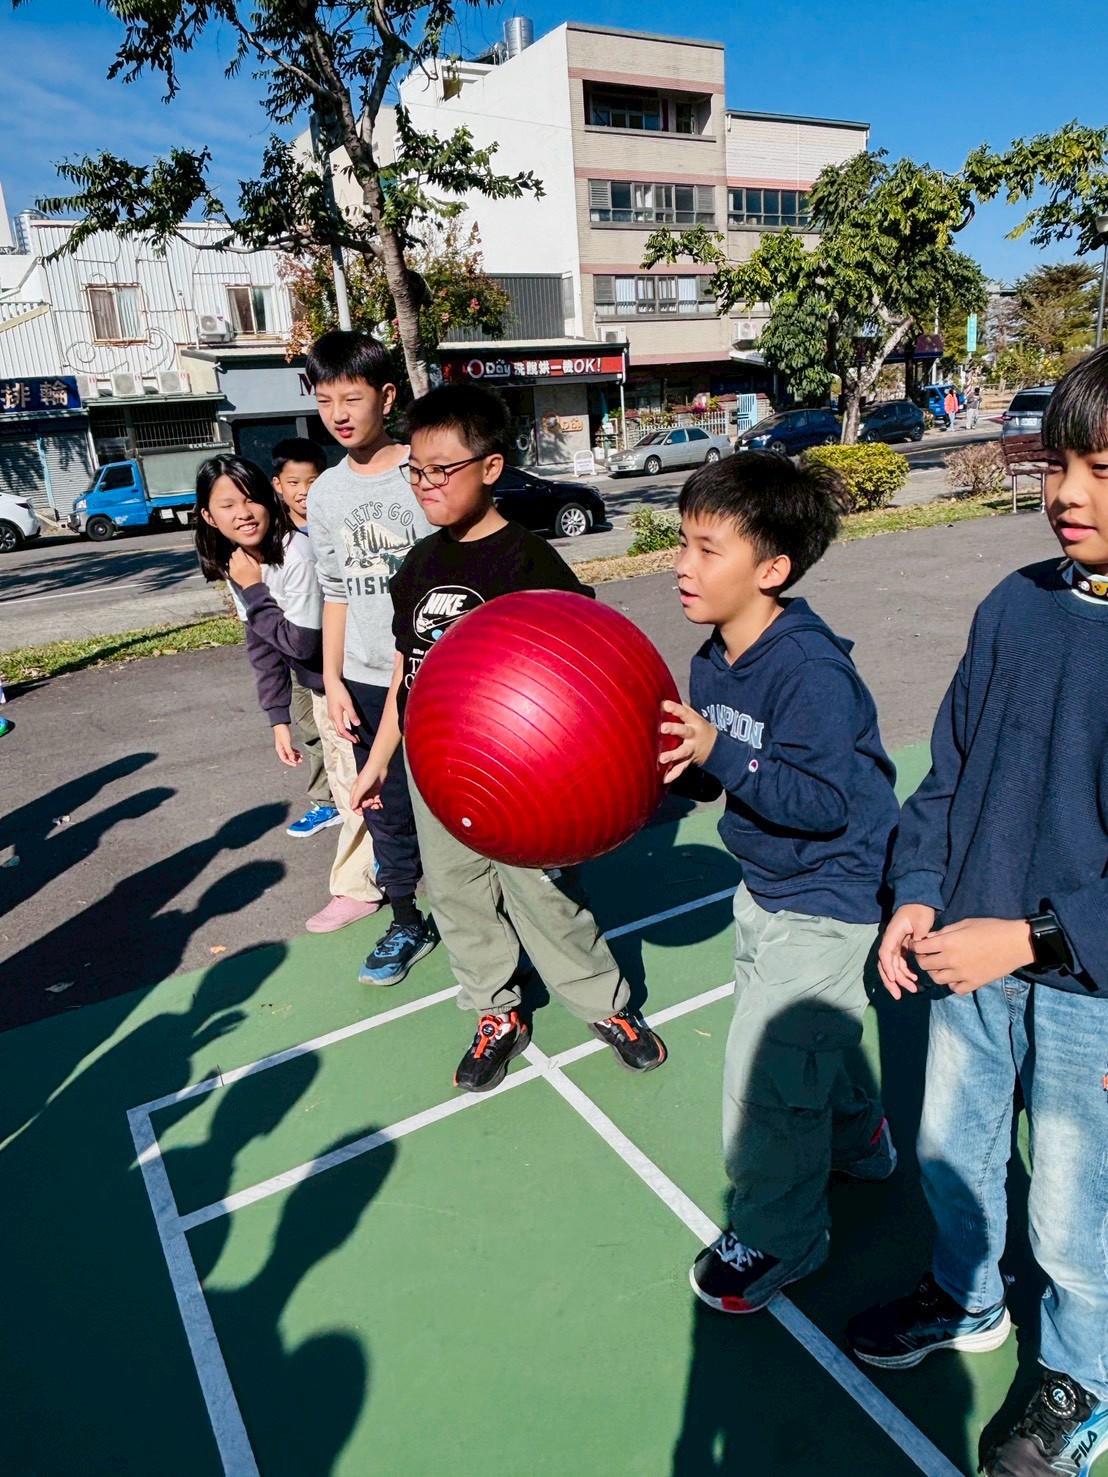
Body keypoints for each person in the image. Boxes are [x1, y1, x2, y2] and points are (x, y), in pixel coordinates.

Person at [846, 347, 1108, 1477]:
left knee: (1076, 1209)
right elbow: (949, 772)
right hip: (972, 955)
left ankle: (1084, 1376)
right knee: (953, 1150)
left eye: (1101, 471)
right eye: (1057, 463)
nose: (1067, 494)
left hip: (1088, 987)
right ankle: (966, 1296)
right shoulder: (1016, 605)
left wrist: (1034, 937)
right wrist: (917, 887)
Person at [349, 383, 667, 1091]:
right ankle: (496, 1010)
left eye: (442, 469)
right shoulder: (418, 566)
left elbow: (585, 670)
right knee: (456, 895)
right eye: (415, 470)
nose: (425, 484)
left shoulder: (529, 562)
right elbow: (407, 674)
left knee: (544, 894)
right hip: (436, 767)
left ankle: (603, 1002)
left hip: (523, 772)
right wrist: (379, 760)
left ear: (490, 467)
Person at [657, 451, 899, 1314]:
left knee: (764, 1080)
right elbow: (719, 776)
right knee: (804, 1051)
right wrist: (675, 765)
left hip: (830, 894)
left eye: (706, 548)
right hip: (765, 881)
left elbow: (825, 802)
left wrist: (719, 751)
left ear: (772, 569)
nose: (682, 565)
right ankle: (861, 1140)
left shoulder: (810, 672)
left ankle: (782, 1236)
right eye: (681, 542)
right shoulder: (713, 658)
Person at [195, 453, 385, 933]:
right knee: (350, 785)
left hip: (351, 684)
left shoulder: (294, 554)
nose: (243, 513)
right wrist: (277, 716)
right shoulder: (240, 561)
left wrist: (254, 590)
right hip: (322, 688)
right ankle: (385, 863)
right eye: (227, 505)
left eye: (251, 499)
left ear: (270, 498)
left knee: (358, 790)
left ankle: (358, 888)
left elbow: (301, 643)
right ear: (208, 516)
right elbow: (262, 642)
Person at [305, 330, 438, 983]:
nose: (338, 413)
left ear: (386, 397)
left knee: (456, 796)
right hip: (360, 679)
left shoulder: (425, 470)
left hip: (434, 676)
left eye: (351, 397)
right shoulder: (326, 493)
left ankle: (492, 906)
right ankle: (407, 918)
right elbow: (334, 591)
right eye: (324, 399)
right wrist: (331, 679)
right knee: (384, 804)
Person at [267, 437, 339, 840]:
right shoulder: (274, 537)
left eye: (312, 481)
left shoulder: (337, 525)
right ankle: (326, 802)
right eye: (294, 482)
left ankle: (370, 814)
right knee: (311, 730)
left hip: (342, 649)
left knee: (351, 733)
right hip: (299, 654)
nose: (304, 491)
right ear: (278, 484)